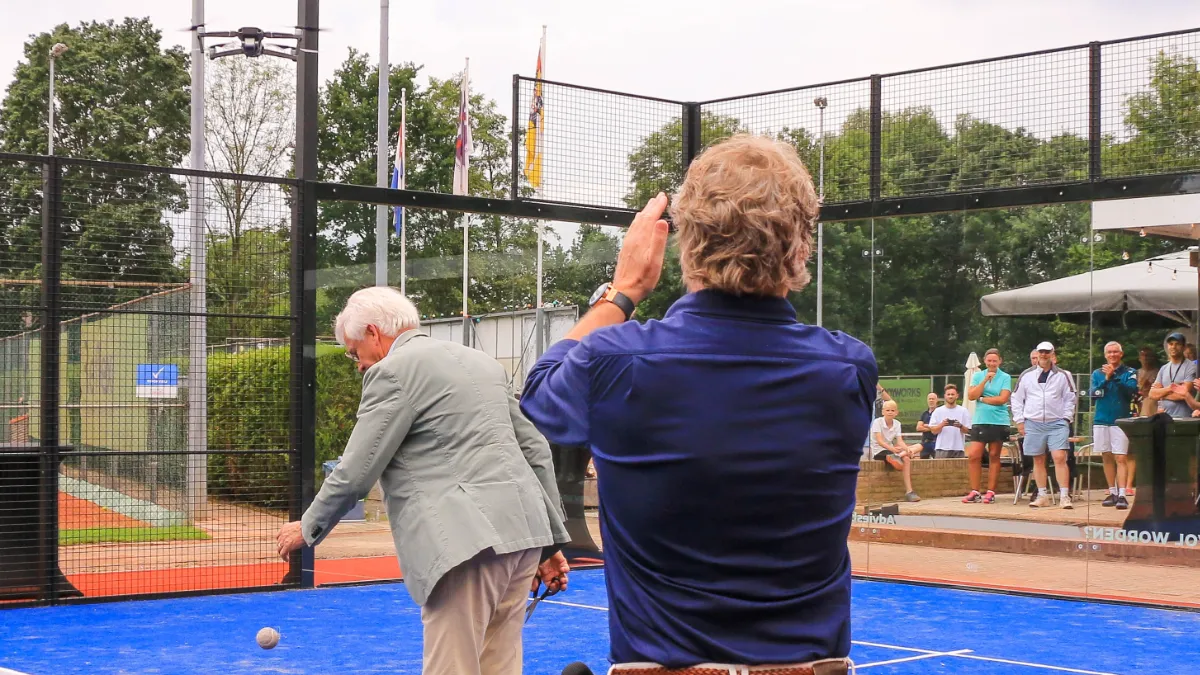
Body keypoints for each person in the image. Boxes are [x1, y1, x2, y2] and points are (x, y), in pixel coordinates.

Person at [520, 135, 863, 674]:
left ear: (688, 243)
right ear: (800, 247)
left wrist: (625, 290)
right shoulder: (847, 369)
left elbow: (538, 396)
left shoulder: (616, 360)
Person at [274, 287, 571, 675]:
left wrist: (306, 528)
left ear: (373, 333)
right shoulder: (482, 363)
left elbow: (354, 472)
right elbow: (536, 452)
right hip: (523, 539)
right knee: (500, 664)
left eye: (353, 351)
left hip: (465, 547)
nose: (358, 363)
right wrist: (549, 544)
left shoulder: (391, 372)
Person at [1011, 341, 1077, 509]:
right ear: (1037, 354)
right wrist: (1019, 420)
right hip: (1033, 422)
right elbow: (1017, 398)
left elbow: (1071, 398)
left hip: (1057, 422)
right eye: (1041, 352)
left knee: (1059, 457)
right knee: (1038, 459)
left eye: (1047, 352)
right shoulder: (1026, 375)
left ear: (1052, 354)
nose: (1044, 354)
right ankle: (1042, 495)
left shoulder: (1064, 375)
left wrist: (1066, 418)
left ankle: (1064, 495)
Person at [1090, 341, 1138, 510]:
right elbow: (1093, 395)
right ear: (1105, 355)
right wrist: (1106, 379)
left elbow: (1131, 391)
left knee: (1121, 457)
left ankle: (1123, 494)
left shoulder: (1130, 372)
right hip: (1101, 419)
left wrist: (1115, 378)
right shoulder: (1097, 373)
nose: (1112, 355)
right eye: (1109, 352)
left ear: (1121, 354)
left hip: (1120, 420)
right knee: (1107, 456)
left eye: (1116, 352)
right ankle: (1112, 492)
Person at [963, 348, 1012, 504]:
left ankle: (991, 492)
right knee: (974, 455)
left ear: (1000, 361)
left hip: (999, 421)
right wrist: (984, 381)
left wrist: (983, 399)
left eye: (995, 361)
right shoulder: (978, 376)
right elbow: (971, 396)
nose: (992, 363)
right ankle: (975, 491)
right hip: (980, 420)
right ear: (985, 361)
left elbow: (1002, 399)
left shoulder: (1005, 377)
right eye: (989, 360)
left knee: (994, 455)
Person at [871, 401, 920, 502]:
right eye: (887, 410)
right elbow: (879, 441)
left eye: (892, 410)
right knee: (903, 457)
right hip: (880, 451)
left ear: (896, 412)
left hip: (892, 450)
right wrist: (893, 449)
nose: (890, 412)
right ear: (883, 411)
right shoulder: (877, 422)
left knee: (915, 450)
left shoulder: (897, 423)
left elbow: (900, 441)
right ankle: (898, 456)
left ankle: (909, 491)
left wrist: (907, 449)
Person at [1149, 332, 1196, 419]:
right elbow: (1152, 394)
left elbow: (1183, 394)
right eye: (1171, 344)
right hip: (1166, 418)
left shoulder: (1191, 367)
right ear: (1167, 346)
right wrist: (1170, 388)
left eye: (1177, 344)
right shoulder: (1164, 368)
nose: (1173, 347)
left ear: (1184, 347)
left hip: (1185, 418)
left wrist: (1161, 394)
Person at [929, 383, 971, 459]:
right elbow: (933, 431)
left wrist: (960, 426)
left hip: (958, 448)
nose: (950, 396)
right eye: (948, 394)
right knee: (940, 470)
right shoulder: (938, 411)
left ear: (957, 396)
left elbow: (968, 431)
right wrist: (942, 424)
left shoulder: (963, 411)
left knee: (959, 471)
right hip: (942, 448)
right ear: (945, 396)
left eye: (952, 394)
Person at [915, 392, 940, 459]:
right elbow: (918, 428)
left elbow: (940, 427)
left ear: (936, 400)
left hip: (936, 443)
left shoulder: (940, 412)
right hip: (925, 442)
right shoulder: (924, 414)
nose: (931, 400)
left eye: (933, 399)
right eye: (929, 399)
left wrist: (927, 426)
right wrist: (932, 427)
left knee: (938, 463)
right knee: (922, 463)